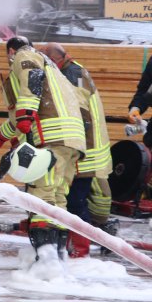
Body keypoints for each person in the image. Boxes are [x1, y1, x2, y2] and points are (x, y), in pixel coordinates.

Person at [0, 36, 86, 269]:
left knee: (41, 195)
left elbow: (31, 79)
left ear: (10, 51)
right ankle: (57, 257)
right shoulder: (53, 68)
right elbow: (22, 115)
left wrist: (25, 113)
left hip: (50, 138)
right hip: (71, 139)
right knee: (58, 197)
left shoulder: (25, 55)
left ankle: (45, 262)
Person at [42, 42, 116, 257]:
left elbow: (79, 108)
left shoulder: (73, 74)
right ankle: (76, 244)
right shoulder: (75, 70)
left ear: (55, 60)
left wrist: (70, 140)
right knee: (74, 199)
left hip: (83, 150)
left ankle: (80, 250)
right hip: (84, 148)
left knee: (74, 200)